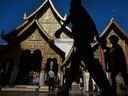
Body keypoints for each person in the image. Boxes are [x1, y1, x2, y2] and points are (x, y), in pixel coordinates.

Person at [55, 0, 112, 95]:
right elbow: (67, 21)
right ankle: (66, 88)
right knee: (76, 66)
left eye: (72, 4)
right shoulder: (74, 13)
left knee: (91, 66)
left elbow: (92, 25)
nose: (70, 6)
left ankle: (106, 88)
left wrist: (98, 39)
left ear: (76, 4)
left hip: (84, 43)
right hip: (78, 44)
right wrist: (60, 30)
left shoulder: (82, 12)